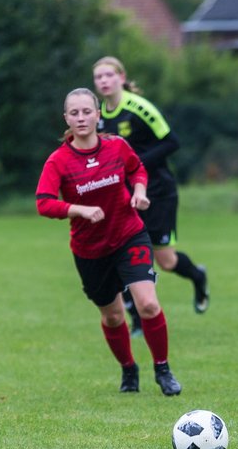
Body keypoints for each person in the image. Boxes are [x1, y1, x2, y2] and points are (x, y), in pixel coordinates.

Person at [36, 87, 183, 395]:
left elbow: (137, 169)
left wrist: (140, 192)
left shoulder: (116, 146)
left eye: (86, 111)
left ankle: (163, 370)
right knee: (113, 315)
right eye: (74, 113)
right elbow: (44, 203)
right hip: (90, 251)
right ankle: (129, 370)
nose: (81, 118)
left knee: (149, 304)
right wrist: (79, 210)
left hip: (129, 235)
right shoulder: (59, 161)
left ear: (98, 115)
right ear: (66, 118)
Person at [92, 55, 209, 338]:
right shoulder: (97, 117)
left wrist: (134, 163)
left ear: (122, 77)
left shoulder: (138, 108)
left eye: (109, 75)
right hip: (122, 197)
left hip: (157, 192)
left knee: (165, 261)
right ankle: (138, 321)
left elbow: (171, 142)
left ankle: (198, 277)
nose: (104, 81)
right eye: (99, 77)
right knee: (123, 257)